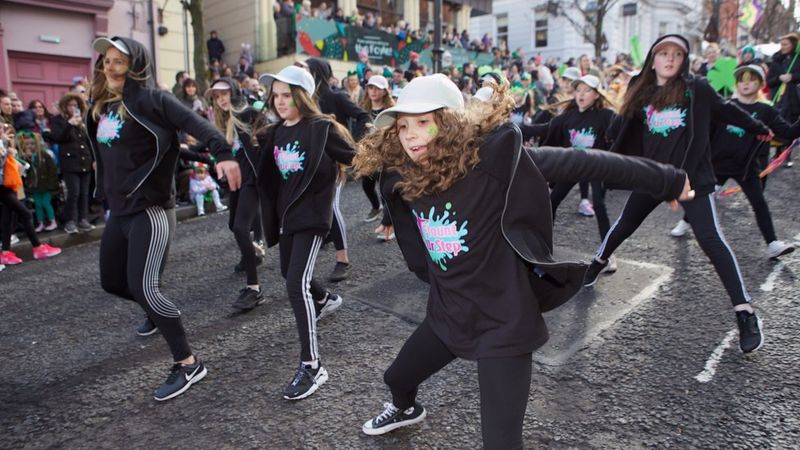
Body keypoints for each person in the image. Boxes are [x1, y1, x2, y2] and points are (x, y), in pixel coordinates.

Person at [353, 74, 694, 448]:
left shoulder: (493, 165)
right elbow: (411, 235)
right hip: (449, 314)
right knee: (396, 378)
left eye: (423, 122)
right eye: (402, 126)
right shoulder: (408, 176)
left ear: (450, 124)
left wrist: (667, 178)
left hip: (503, 323)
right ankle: (405, 408)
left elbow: (583, 162)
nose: (410, 135)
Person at [582, 34, 772, 354]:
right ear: (653, 59)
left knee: (711, 239)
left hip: (689, 177)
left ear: (684, 60)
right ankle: (598, 260)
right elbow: (622, 127)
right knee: (625, 224)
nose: (670, 59)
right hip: (652, 175)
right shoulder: (640, 91)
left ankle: (745, 312)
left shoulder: (696, 89)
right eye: (663, 54)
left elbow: (727, 111)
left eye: (677, 55)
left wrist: (760, 127)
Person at [87, 36, 241, 400]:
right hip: (119, 211)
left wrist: (222, 153)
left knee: (145, 286)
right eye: (106, 61)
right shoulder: (106, 106)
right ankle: (159, 313)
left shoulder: (154, 99)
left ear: (136, 66)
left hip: (151, 210)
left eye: (118, 61)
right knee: (112, 282)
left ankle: (189, 363)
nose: (109, 67)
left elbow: (196, 124)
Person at [256, 65, 354, 400]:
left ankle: (312, 366)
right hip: (286, 218)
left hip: (311, 216)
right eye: (276, 95)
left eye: (286, 95)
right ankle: (325, 299)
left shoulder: (321, 129)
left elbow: (356, 158)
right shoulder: (275, 131)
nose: (279, 101)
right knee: (289, 273)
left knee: (295, 283)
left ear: (303, 96)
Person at [671, 64, 799, 259]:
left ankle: (773, 244)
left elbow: (788, 132)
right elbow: (704, 132)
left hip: (746, 167)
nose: (746, 84)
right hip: (716, 164)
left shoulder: (766, 111)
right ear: (737, 84)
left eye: (752, 80)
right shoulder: (723, 105)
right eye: (742, 80)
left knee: (759, 203)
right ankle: (685, 222)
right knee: (703, 196)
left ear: (760, 84)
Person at [526, 75, 619, 271]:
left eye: (586, 90)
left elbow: (621, 129)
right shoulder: (567, 117)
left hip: (596, 166)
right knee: (552, 201)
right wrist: (514, 129)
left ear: (596, 95)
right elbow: (543, 129)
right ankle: (544, 248)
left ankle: (608, 254)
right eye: (578, 90)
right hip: (573, 165)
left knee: (600, 205)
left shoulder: (605, 116)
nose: (581, 94)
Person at [306, 57, 370, 282]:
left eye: (306, 70)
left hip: (333, 162)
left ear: (316, 73)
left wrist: (352, 142)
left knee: (332, 207)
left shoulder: (335, 96)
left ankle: (342, 260)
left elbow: (363, 115)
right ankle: (325, 236)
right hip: (311, 164)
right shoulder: (305, 100)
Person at [207, 77, 265, 311]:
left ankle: (254, 288)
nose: (221, 99)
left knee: (241, 228)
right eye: (217, 96)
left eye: (225, 93)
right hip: (236, 181)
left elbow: (268, 135)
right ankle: (252, 253)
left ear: (233, 92)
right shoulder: (221, 123)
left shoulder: (247, 114)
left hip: (252, 180)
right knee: (234, 226)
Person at [0, 126, 61, 265]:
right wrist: (5, 149)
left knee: (7, 217)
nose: (2, 131)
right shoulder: (1, 142)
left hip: (6, 183)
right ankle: (38, 248)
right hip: (2, 186)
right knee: (25, 213)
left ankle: (5, 253)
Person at [50, 92, 94, 234]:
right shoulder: (58, 120)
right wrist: (69, 124)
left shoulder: (82, 120)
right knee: (73, 192)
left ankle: (83, 219)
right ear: (65, 106)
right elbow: (58, 138)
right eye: (70, 105)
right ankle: (70, 221)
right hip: (70, 162)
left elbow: (89, 142)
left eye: (75, 105)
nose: (73, 107)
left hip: (84, 161)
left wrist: (94, 159)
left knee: (84, 193)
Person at [359, 75, 394, 224]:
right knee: (366, 185)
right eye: (370, 88)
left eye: (377, 88)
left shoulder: (391, 111)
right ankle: (375, 207)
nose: (373, 91)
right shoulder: (362, 110)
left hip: (386, 155)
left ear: (385, 91)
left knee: (385, 189)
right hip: (368, 154)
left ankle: (388, 222)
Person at [767, 32, 800, 168]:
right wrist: (779, 78)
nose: (783, 47)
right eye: (781, 44)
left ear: (793, 45)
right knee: (777, 125)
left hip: (793, 99)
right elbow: (769, 81)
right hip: (778, 100)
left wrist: (792, 77)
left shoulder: (798, 59)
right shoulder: (776, 60)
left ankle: (787, 155)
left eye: (785, 44)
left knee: (791, 126)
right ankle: (776, 152)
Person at [17, 131, 59, 232]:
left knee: (46, 203)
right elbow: (24, 172)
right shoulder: (26, 158)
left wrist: (52, 185)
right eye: (26, 144)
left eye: (32, 144)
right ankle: (41, 223)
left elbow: (53, 171)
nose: (30, 146)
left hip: (46, 186)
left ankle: (53, 221)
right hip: (35, 187)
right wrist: (27, 158)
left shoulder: (45, 155)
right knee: (38, 205)